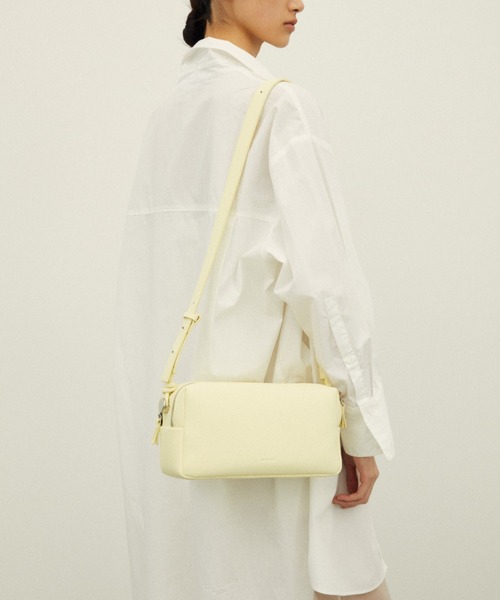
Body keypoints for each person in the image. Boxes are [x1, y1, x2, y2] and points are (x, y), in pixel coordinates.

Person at [114, 1, 395, 599]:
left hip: (184, 438)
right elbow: (327, 287)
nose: (298, 2)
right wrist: (360, 428)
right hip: (281, 438)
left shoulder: (167, 115)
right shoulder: (278, 106)